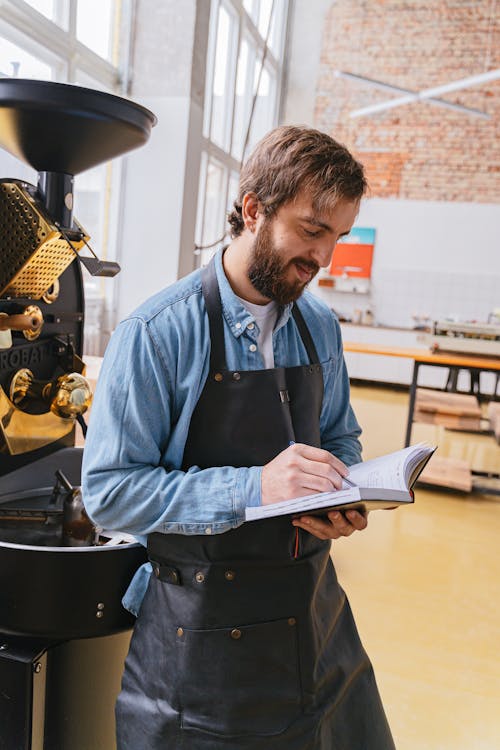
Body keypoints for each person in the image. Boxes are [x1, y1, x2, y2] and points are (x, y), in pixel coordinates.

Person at [82, 125, 395, 750]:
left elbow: (340, 436)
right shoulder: (157, 333)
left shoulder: (318, 327)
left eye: (337, 236)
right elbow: (111, 493)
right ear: (254, 209)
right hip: (199, 647)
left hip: (313, 623)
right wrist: (255, 489)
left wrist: (338, 489)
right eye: (311, 230)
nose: (324, 258)